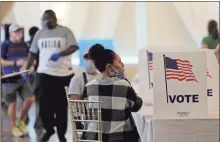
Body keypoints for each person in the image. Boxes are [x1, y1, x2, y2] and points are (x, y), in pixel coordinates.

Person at [25, 10, 78, 142]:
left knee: (61, 106)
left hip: (64, 74)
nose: (46, 22)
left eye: (49, 20)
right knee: (43, 105)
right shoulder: (39, 33)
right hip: (44, 72)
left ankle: (61, 133)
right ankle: (49, 128)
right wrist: (26, 69)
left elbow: (73, 46)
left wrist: (60, 53)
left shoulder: (65, 31)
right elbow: (32, 52)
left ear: (55, 19)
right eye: (44, 20)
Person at [81, 43, 143, 142]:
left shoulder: (89, 86)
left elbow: (84, 111)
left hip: (93, 138)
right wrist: (124, 79)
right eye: (119, 61)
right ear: (109, 66)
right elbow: (137, 106)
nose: (122, 65)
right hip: (118, 138)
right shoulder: (123, 85)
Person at [1, 24, 34, 137]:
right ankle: (14, 127)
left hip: (23, 77)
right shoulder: (5, 45)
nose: (19, 34)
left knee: (29, 100)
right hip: (9, 78)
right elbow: (1, 61)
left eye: (20, 31)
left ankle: (22, 121)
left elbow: (29, 58)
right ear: (10, 34)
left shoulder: (25, 45)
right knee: (13, 104)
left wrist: (30, 64)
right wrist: (15, 63)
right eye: (16, 32)